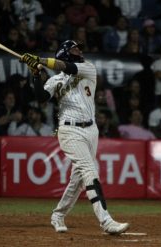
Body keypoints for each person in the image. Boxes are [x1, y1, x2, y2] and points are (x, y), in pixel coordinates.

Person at [19, 40, 129, 234]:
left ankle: (58, 215)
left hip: (91, 129)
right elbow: (42, 98)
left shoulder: (87, 68)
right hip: (69, 130)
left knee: (78, 180)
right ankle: (106, 221)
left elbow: (65, 66)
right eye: (74, 48)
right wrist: (35, 73)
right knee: (89, 170)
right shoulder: (55, 80)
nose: (80, 50)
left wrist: (40, 60)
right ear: (65, 53)